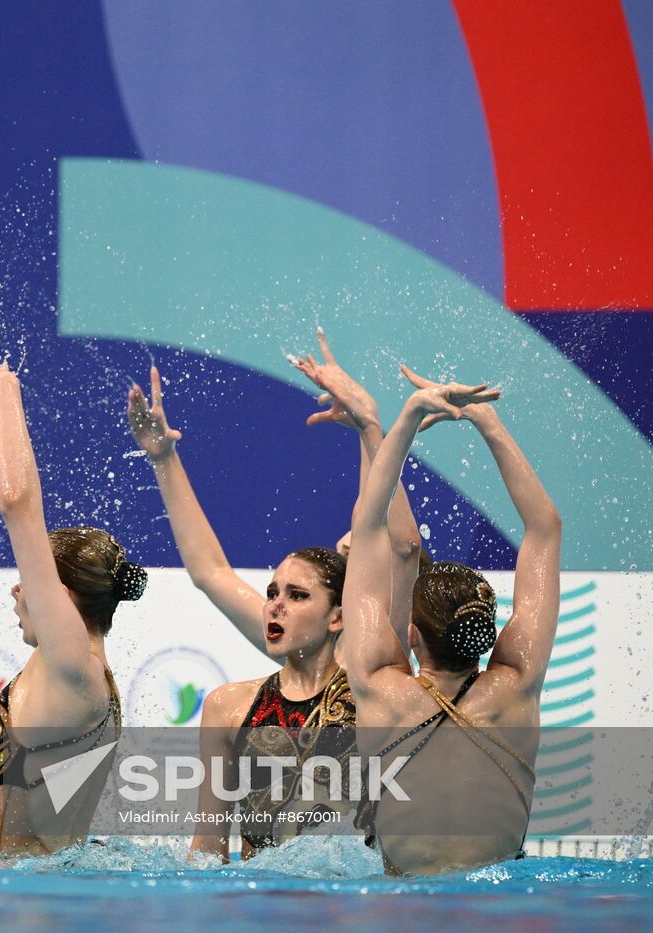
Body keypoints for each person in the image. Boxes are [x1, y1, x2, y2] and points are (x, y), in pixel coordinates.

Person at [126, 336, 422, 861]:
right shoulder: (229, 707)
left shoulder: (371, 677)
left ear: (338, 616)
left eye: (297, 595)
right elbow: (210, 571)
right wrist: (164, 458)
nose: (275, 605)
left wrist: (369, 429)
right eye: (272, 593)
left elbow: (398, 548)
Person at [343, 367, 555, 875]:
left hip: (406, 906)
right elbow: (544, 528)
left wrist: (411, 414)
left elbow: (369, 528)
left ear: (411, 635)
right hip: (503, 901)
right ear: (486, 630)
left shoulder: (377, 687)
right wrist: (489, 422)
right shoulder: (517, 687)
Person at [0, 358, 146, 855]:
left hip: (24, 904)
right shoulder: (88, 678)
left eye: (30, 582)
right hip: (38, 887)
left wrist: (4, 390)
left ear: (62, 600)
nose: (17, 592)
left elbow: (18, 502)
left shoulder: (72, 665)